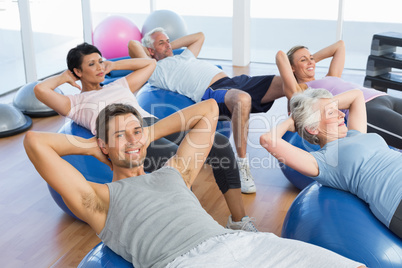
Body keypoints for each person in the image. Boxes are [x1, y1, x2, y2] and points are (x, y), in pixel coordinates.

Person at [24, 101, 365, 268]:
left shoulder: (175, 172)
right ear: (103, 144)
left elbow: (208, 111)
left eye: (136, 130)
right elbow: (35, 143)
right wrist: (96, 145)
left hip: (244, 245)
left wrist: (140, 136)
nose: (131, 140)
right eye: (119, 135)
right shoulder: (98, 199)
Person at [33, 42, 256, 231]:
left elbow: (150, 64)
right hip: (129, 140)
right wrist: (64, 77)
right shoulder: (74, 103)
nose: (99, 67)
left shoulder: (120, 84)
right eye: (91, 64)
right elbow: (40, 91)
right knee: (173, 163)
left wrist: (113, 65)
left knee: (221, 144)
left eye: (100, 61)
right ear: (77, 72)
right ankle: (193, 227)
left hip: (153, 125)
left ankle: (238, 220)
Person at [128, 28, 285, 193]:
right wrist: (151, 54)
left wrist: (167, 45)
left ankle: (306, 132)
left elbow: (199, 36)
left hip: (234, 81)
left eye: (168, 40)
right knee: (242, 99)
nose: (168, 44)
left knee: (286, 82)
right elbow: (132, 44)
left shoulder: (184, 56)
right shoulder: (154, 69)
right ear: (150, 51)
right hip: (213, 90)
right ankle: (243, 166)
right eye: (162, 42)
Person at [260, 88, 402, 239]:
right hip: (396, 199)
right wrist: (293, 119)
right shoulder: (322, 160)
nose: (342, 114)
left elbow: (356, 96)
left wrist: (327, 105)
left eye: (337, 110)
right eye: (332, 113)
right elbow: (267, 140)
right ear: (313, 128)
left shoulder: (355, 132)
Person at [276, 40, 402, 148]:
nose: (310, 62)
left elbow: (340, 46)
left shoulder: (331, 76)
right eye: (303, 59)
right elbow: (280, 55)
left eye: (311, 58)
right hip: (367, 108)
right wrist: (301, 65)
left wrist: (308, 62)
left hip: (384, 97)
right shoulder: (299, 91)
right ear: (291, 67)